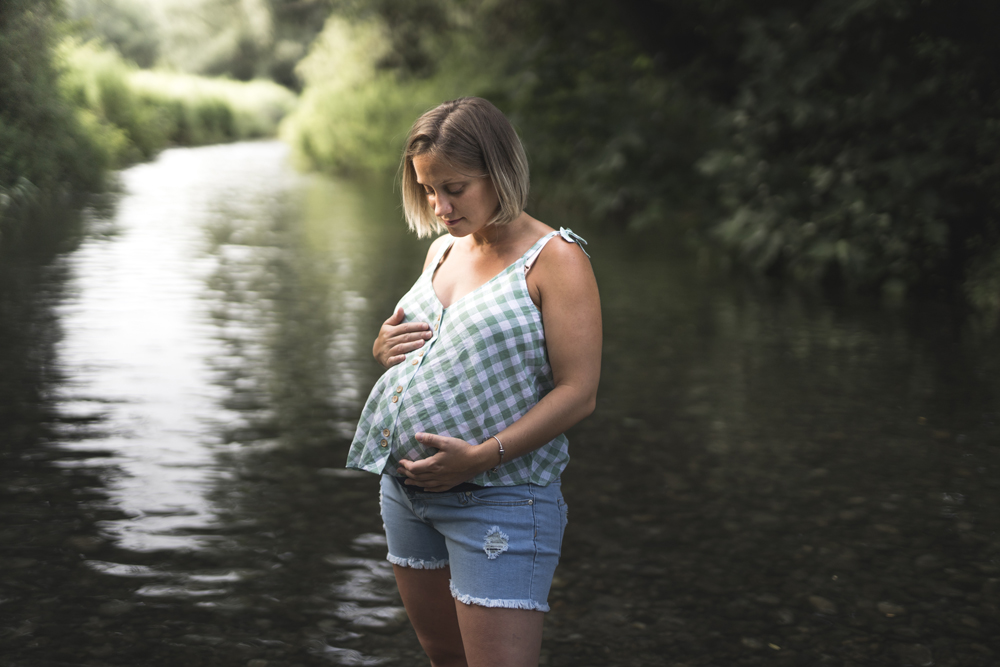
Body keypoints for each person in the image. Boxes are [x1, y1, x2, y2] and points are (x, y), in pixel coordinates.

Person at [346, 97, 602, 667]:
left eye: (454, 188)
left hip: (501, 499)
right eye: (428, 189)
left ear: (499, 171)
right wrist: (381, 348)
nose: (439, 205)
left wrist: (481, 457)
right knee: (445, 659)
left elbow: (578, 393)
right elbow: (424, 348)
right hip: (407, 494)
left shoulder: (556, 259)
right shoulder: (442, 251)